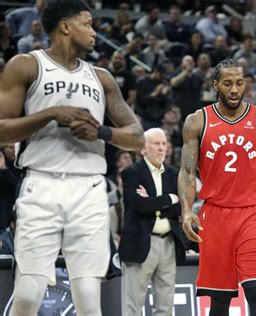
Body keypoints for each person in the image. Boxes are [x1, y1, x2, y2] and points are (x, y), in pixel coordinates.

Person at [0, 1, 145, 315]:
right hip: (41, 183)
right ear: (65, 27)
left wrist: (101, 133)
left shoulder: (102, 77)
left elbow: (137, 137)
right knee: (27, 294)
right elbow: (2, 131)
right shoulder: (26, 65)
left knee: (89, 299)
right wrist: (51, 114)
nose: (94, 32)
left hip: (89, 188)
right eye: (88, 24)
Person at [178, 58, 256, 316]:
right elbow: (187, 173)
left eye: (239, 82)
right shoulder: (197, 121)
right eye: (227, 83)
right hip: (215, 215)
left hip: (253, 213)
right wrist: (187, 210)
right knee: (220, 301)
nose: (234, 89)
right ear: (216, 86)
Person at [119, 128, 186, 316]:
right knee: (133, 306)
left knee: (165, 306)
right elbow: (139, 205)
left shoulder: (174, 174)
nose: (161, 148)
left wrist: (154, 201)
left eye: (164, 144)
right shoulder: (131, 172)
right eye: (156, 143)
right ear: (144, 148)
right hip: (140, 242)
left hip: (168, 243)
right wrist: (169, 198)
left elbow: (180, 208)